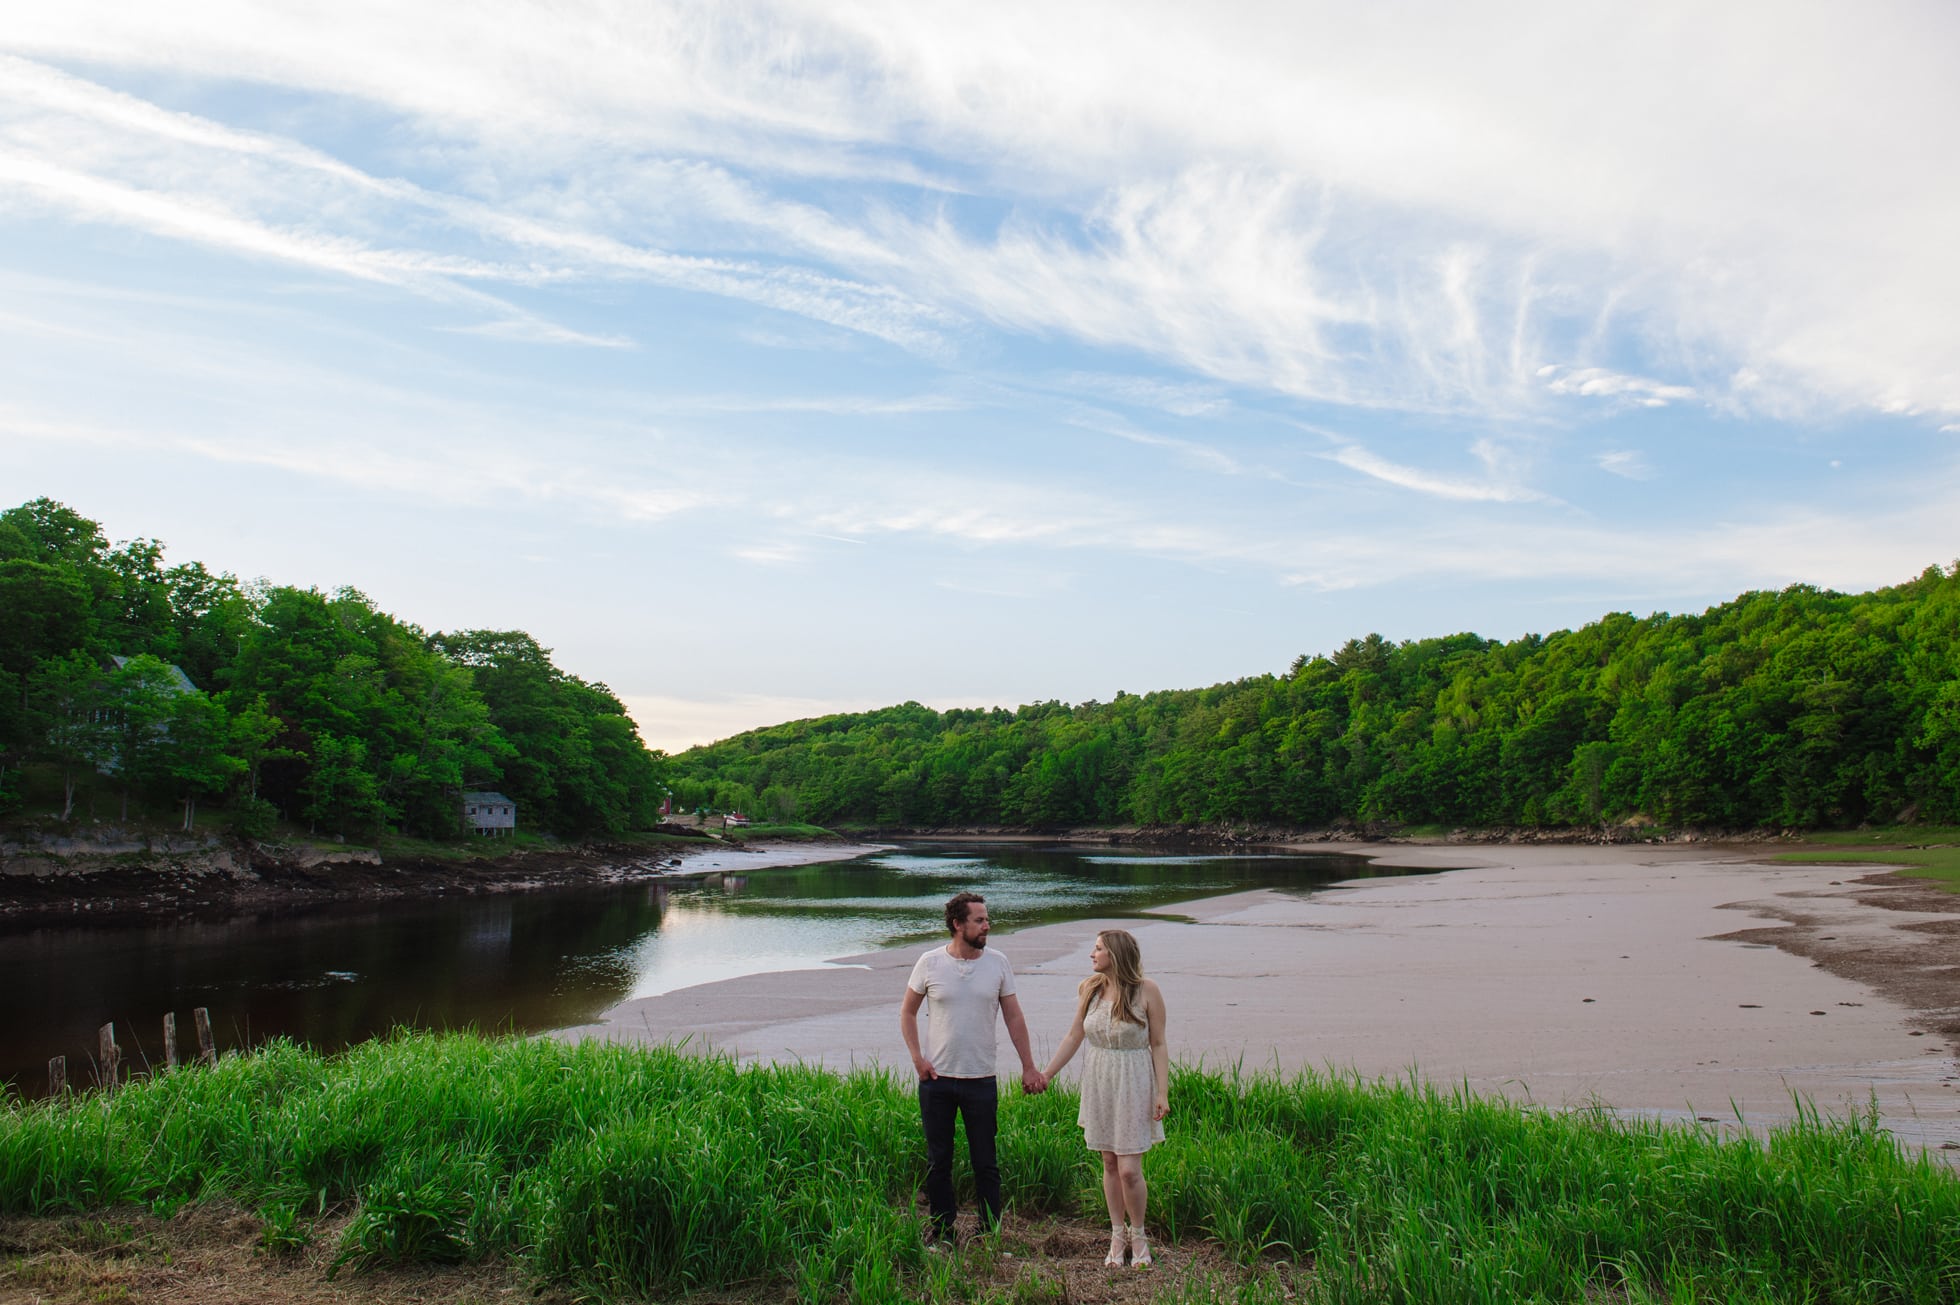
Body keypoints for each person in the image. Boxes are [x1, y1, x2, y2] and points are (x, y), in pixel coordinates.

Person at [899, 891, 1047, 1245]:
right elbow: (907, 1012)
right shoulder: (929, 962)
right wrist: (918, 1058)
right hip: (937, 1081)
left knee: (986, 1162)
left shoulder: (998, 962)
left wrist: (1029, 1066)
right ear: (957, 924)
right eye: (979, 920)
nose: (987, 925)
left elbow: (1013, 1016)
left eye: (987, 919)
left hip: (981, 1079)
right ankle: (943, 1230)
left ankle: (989, 1231)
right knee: (939, 1162)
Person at [1040, 928, 1169, 1269]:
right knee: (1109, 1163)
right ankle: (1116, 1233)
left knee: (1129, 1169)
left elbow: (1158, 1043)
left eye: (1097, 949)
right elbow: (1073, 1036)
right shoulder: (1090, 989)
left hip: (1133, 1080)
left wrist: (1162, 1092)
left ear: (1115, 953)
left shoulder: (1147, 991)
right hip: (1099, 1080)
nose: (1091, 955)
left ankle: (1138, 1234)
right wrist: (1047, 1074)